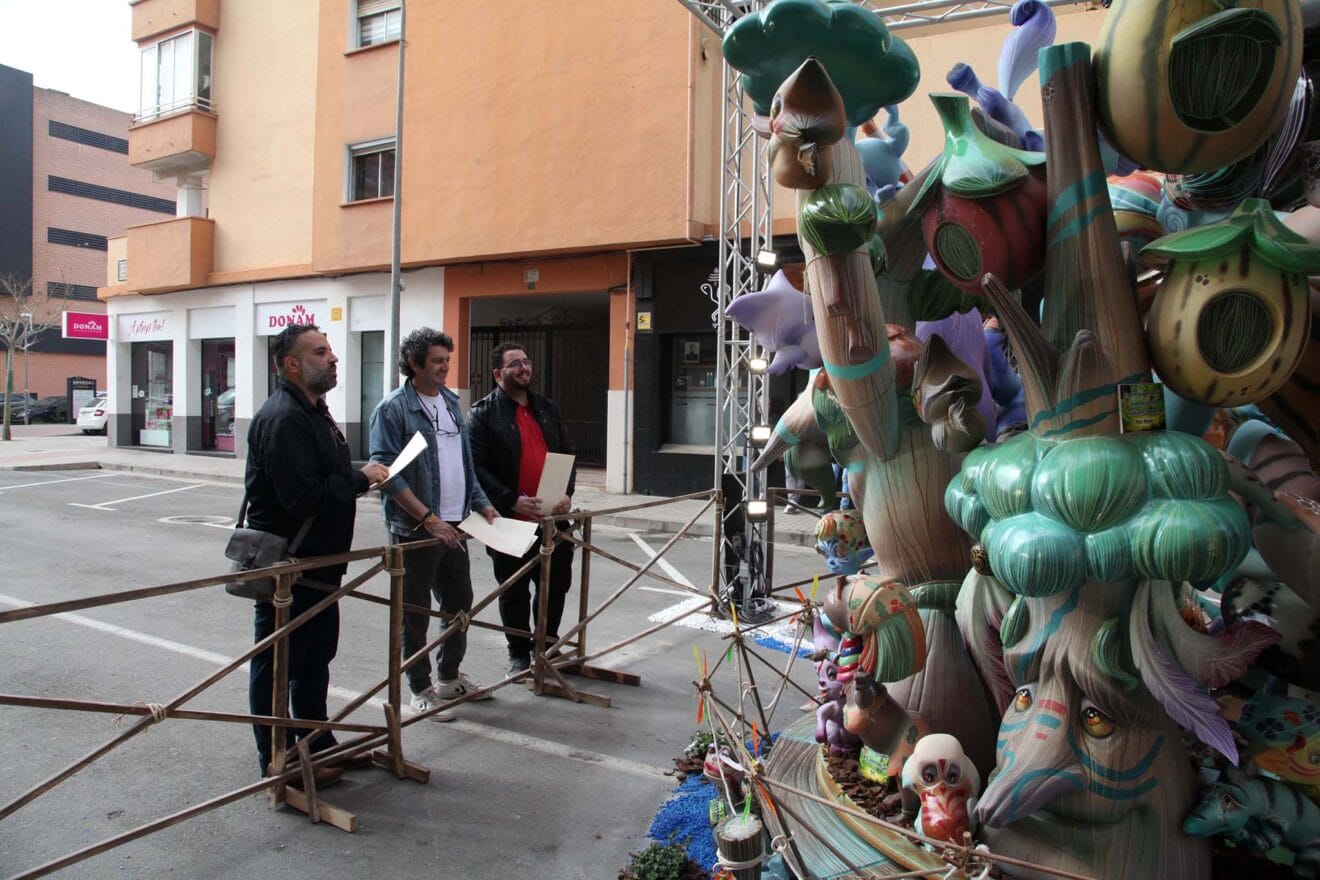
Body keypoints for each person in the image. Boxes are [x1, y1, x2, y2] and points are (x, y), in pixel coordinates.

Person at [245, 323, 389, 786]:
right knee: (278, 661)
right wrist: (361, 479)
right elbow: (303, 497)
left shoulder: (315, 411)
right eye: (320, 352)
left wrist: (356, 473)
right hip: (290, 567)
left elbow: (325, 472)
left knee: (314, 660)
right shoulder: (283, 417)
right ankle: (277, 760)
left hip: (321, 565)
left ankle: (315, 743)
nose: (333, 359)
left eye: (331, 351)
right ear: (291, 364)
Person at [369, 328, 497, 720]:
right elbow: (386, 474)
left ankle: (448, 676)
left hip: (456, 523)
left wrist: (481, 502)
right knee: (415, 610)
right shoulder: (392, 409)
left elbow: (465, 463)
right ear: (414, 363)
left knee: (459, 602)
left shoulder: (450, 401)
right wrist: (427, 518)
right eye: (438, 360)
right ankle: (420, 688)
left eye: (447, 359)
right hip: (417, 529)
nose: (445, 367)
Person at [468, 343, 576, 676]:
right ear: (498, 374)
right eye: (515, 364)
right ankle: (518, 653)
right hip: (508, 520)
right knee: (513, 590)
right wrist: (509, 499)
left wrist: (566, 494)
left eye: (526, 362)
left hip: (552, 519)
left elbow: (567, 451)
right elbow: (476, 466)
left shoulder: (546, 408)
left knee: (555, 584)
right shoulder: (482, 414)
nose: (524, 368)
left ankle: (547, 646)